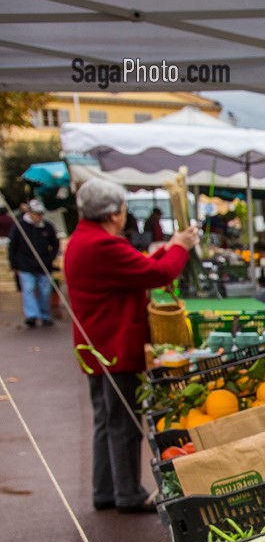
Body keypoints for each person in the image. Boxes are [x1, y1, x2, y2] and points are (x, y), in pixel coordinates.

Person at [65, 179, 198, 514]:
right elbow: (157, 273)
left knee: (106, 421)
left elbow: (139, 269)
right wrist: (180, 246)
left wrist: (170, 245)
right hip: (114, 346)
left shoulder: (86, 239)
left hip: (97, 345)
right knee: (123, 424)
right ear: (113, 214)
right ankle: (127, 493)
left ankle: (106, 490)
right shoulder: (102, 245)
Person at [8, 197, 61, 328]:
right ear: (30, 213)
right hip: (25, 264)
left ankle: (45, 315)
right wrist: (14, 264)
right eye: (37, 214)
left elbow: (55, 244)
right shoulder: (20, 226)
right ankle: (31, 315)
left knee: (45, 291)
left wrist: (51, 257)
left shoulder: (47, 227)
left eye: (41, 214)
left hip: (43, 264)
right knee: (29, 289)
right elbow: (12, 245)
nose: (39, 216)